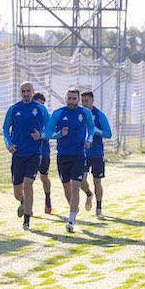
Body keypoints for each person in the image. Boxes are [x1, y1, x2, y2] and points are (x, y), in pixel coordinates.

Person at [44, 87, 96, 233]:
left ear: (78, 99)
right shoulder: (58, 113)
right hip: (62, 156)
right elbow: (48, 132)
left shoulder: (84, 113)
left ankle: (71, 220)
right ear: (65, 98)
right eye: (69, 98)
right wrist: (60, 134)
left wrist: (89, 139)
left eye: (74, 99)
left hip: (79, 155)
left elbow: (91, 129)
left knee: (75, 187)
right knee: (67, 189)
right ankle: (75, 208)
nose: (72, 101)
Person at [3, 82, 48, 230]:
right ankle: (23, 202)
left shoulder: (41, 109)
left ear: (33, 91)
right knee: (17, 192)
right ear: (20, 92)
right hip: (18, 155)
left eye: (28, 91)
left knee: (28, 184)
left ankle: (27, 220)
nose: (26, 93)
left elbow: (50, 129)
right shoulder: (13, 109)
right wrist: (9, 144)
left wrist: (40, 135)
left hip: (34, 154)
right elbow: (5, 129)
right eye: (23, 91)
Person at [78, 91, 112, 218]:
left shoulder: (99, 115)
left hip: (97, 153)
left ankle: (99, 206)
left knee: (97, 181)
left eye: (86, 101)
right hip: (82, 153)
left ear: (92, 101)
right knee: (81, 179)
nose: (84, 104)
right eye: (82, 101)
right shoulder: (79, 114)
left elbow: (108, 134)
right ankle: (88, 194)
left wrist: (95, 129)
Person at [32, 92, 53, 215]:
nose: (41, 107)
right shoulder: (27, 114)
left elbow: (50, 131)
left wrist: (41, 135)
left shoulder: (47, 116)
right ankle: (27, 206)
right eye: (39, 104)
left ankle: (48, 200)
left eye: (43, 104)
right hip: (29, 153)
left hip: (44, 152)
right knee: (28, 180)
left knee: (44, 177)